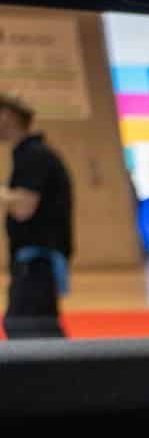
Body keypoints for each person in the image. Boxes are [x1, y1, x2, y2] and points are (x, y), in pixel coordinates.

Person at [0, 93, 73, 339]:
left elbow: (23, 208)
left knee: (27, 328)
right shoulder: (29, 154)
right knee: (32, 328)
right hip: (33, 261)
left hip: (37, 261)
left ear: (6, 116)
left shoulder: (34, 155)